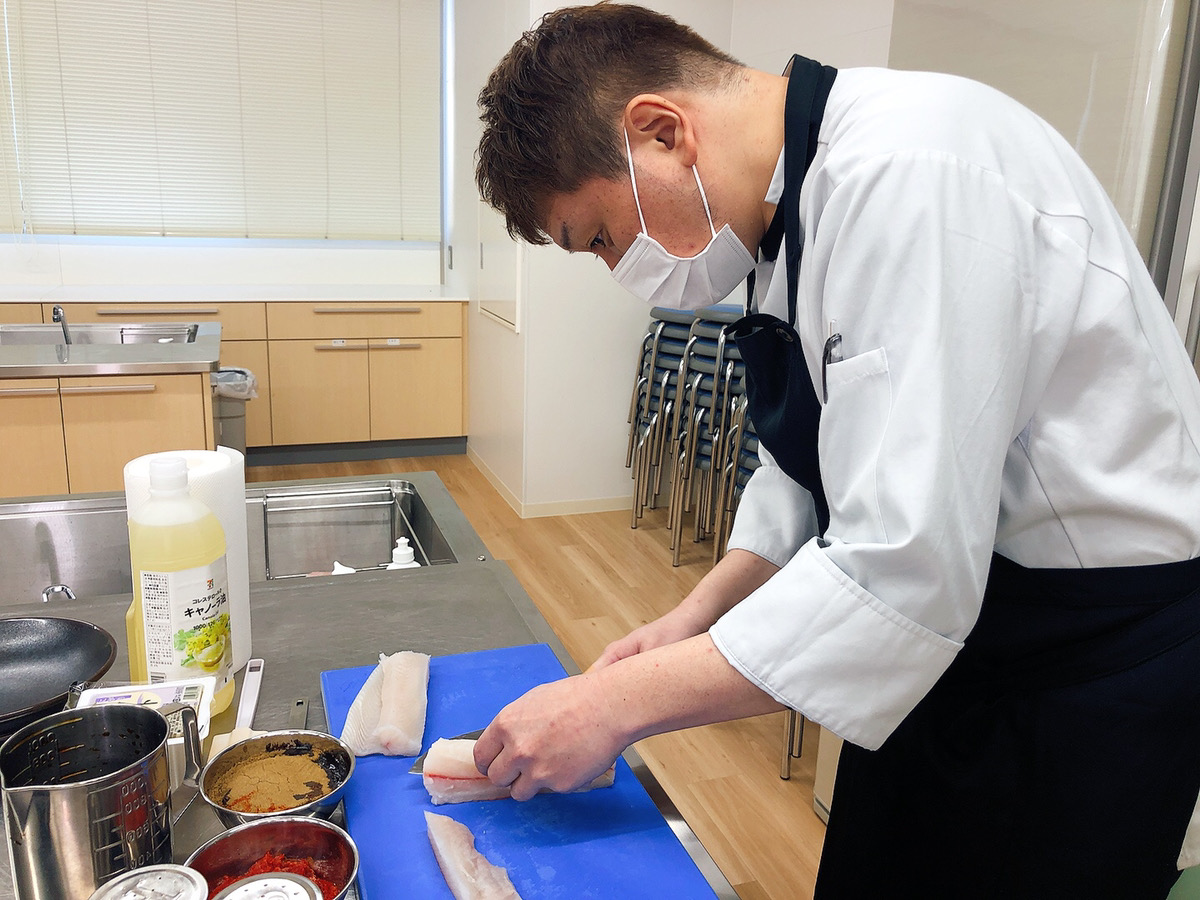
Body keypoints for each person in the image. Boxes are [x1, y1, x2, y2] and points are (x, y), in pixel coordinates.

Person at [470, 4, 1200, 897]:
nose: (619, 267)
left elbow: (901, 571)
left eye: (601, 238)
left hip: (1086, 659)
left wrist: (612, 706)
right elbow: (808, 465)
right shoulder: (790, 211)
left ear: (662, 132)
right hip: (964, 628)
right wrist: (690, 620)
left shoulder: (910, 175)